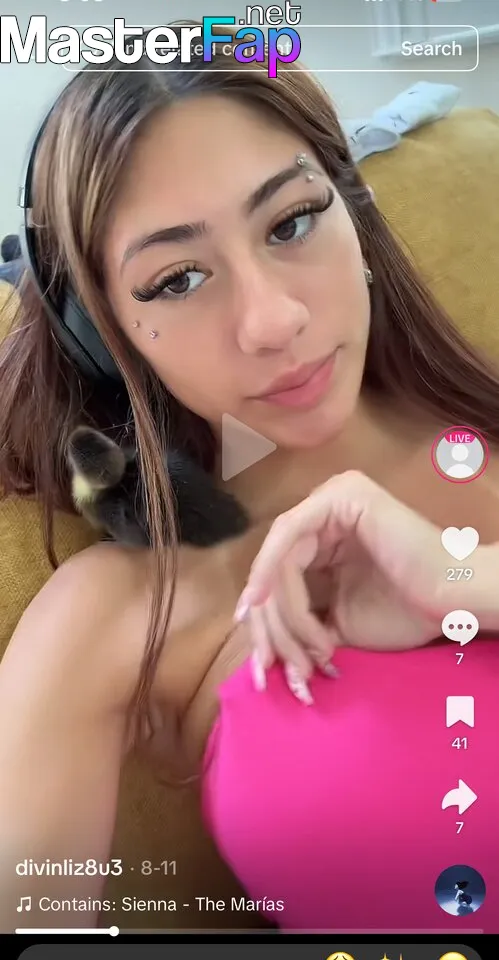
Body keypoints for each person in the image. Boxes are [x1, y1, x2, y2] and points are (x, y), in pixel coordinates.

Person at [1, 25, 499, 932]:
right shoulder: (120, 614)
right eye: (177, 279)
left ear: (353, 215)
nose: (273, 320)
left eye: (291, 222)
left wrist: (462, 580)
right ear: (105, 337)